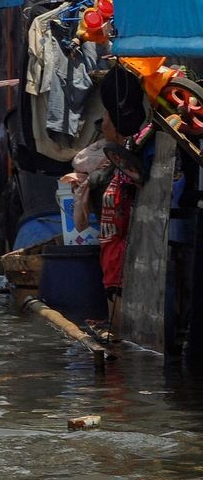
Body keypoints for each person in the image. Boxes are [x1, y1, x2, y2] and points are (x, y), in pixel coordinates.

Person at [72, 67, 147, 336]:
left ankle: (118, 335)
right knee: (111, 282)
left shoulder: (131, 154)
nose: (102, 123)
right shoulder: (114, 157)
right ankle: (115, 332)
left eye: (105, 119)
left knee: (116, 284)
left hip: (120, 237)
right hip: (111, 237)